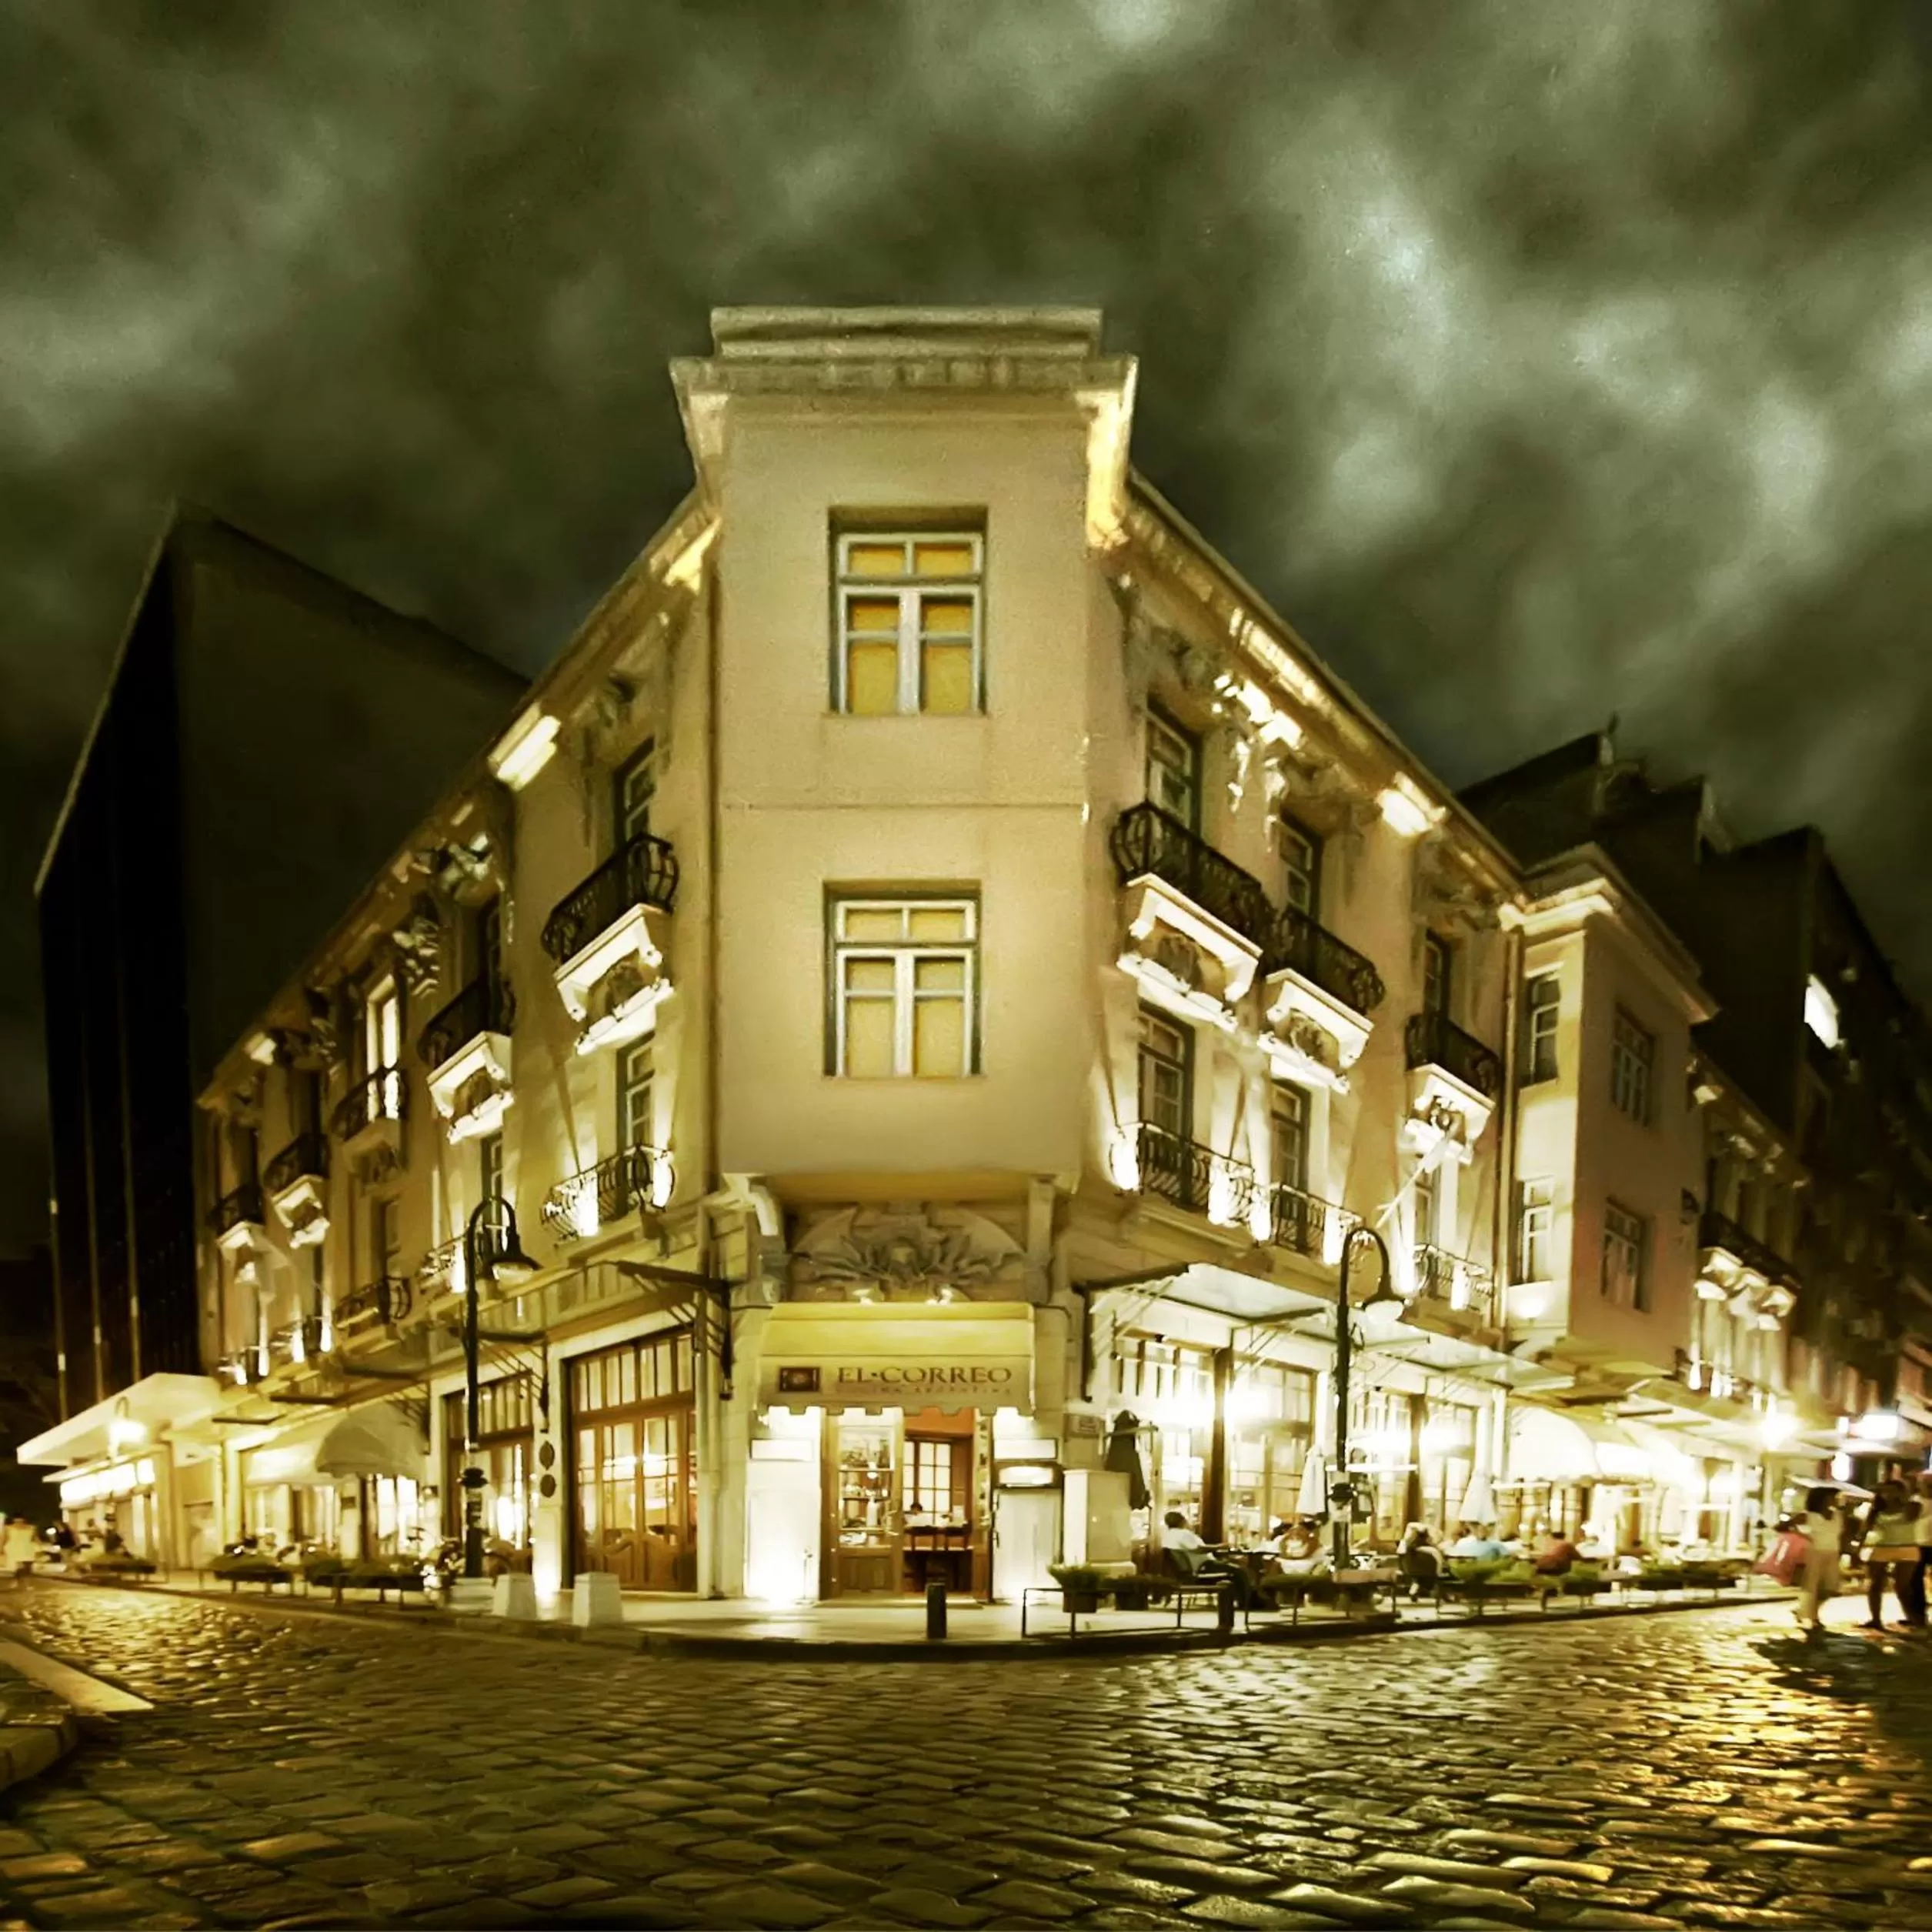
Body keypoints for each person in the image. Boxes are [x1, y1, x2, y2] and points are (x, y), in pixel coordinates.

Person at [1857, 1480, 1920, 1632]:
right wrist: (1858, 1548)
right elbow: (1865, 1530)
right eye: (1885, 1491)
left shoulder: (1912, 1506)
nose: (1888, 1494)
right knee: (1875, 1585)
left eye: (1893, 1491)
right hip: (1882, 1546)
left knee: (1902, 1587)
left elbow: (1912, 1516)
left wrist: (1902, 1499)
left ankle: (1913, 1618)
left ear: (1901, 1492)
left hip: (1907, 1547)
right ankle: (1875, 1619)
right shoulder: (1876, 1509)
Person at [1795, 1484, 1844, 1638]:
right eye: (1832, 1497)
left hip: (1833, 1553)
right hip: (1815, 1552)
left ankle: (1803, 1611)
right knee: (1813, 1586)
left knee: (1831, 1588)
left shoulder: (1838, 1515)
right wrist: (1801, 1537)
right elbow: (1782, 1526)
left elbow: (1841, 1534)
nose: (1835, 1500)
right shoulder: (1809, 1515)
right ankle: (1813, 1617)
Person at [1903, 1472, 1932, 1633]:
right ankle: (1917, 1616)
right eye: (1926, 1484)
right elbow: (1908, 1518)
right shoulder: (1915, 1501)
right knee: (1914, 1582)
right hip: (1918, 1544)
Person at [2, 1516, 38, 1587]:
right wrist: (1, 1548)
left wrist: (40, 1547)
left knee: (28, 1566)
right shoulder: (8, 1528)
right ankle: (16, 1581)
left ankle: (26, 1584)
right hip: (14, 1548)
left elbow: (35, 1538)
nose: (19, 1522)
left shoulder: (31, 1528)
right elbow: (4, 1538)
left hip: (27, 1548)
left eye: (21, 1521)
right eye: (17, 1521)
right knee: (19, 1566)